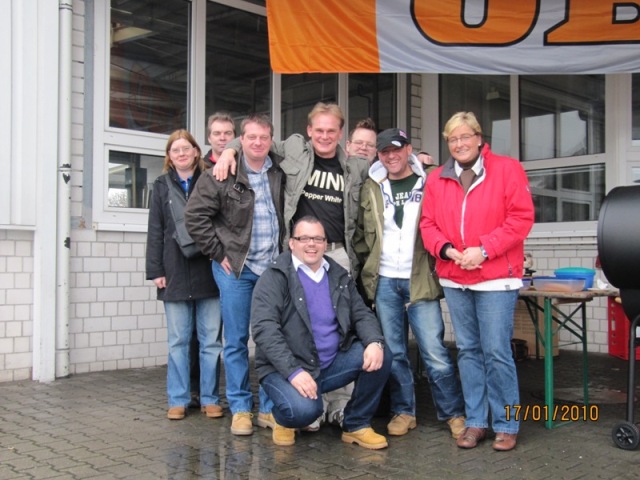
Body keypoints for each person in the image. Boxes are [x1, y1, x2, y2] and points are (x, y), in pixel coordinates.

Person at [215, 102, 370, 430]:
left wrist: (420, 160)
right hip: (300, 251)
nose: (325, 136)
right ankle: (311, 401)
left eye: (331, 131)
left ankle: (339, 405)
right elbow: (256, 139)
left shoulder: (356, 167)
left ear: (340, 133)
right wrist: (229, 150)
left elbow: (390, 168)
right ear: (309, 130)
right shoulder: (295, 149)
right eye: (319, 130)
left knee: (338, 330)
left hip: (337, 253)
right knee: (302, 329)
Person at [419, 111, 534, 452]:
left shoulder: (507, 169)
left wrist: (484, 250)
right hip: (456, 277)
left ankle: (507, 424)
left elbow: (521, 219)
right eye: (453, 139)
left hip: (495, 278)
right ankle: (476, 421)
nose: (459, 144)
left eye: (465, 136)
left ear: (479, 138)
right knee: (468, 351)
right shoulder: (437, 178)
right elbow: (427, 224)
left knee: (497, 351)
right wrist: (446, 250)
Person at [353, 128, 466, 439]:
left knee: (434, 351)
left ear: (409, 150)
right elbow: (362, 235)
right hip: (385, 282)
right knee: (395, 354)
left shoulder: (429, 181)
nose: (391, 156)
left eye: (396, 149)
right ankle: (404, 411)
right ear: (379, 155)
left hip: (420, 282)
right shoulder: (372, 186)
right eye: (385, 151)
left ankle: (453, 413)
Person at [251, 216, 392, 448]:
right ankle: (281, 419)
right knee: (305, 411)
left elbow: (361, 313)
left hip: (329, 365)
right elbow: (264, 329)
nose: (311, 244)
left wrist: (374, 342)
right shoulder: (275, 277)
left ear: (326, 244)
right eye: (304, 238)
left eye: (318, 238)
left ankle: (356, 424)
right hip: (285, 371)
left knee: (381, 355)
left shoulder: (337, 274)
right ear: (292, 243)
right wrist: (293, 372)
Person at [185, 113, 285, 436]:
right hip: (237, 272)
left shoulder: (279, 171)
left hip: (272, 270)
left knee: (269, 340)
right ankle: (241, 408)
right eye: (251, 137)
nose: (258, 142)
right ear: (241, 140)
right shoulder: (222, 173)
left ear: (271, 140)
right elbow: (194, 216)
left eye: (264, 137)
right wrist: (217, 252)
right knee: (236, 341)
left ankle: (268, 408)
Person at [145, 129, 223, 421]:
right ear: (169, 155)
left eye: (186, 149)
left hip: (209, 269)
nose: (181, 154)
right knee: (178, 341)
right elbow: (155, 230)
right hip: (174, 270)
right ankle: (178, 399)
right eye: (175, 150)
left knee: (211, 341)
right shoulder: (161, 186)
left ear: (196, 152)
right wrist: (155, 270)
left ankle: (210, 399)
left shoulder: (212, 179)